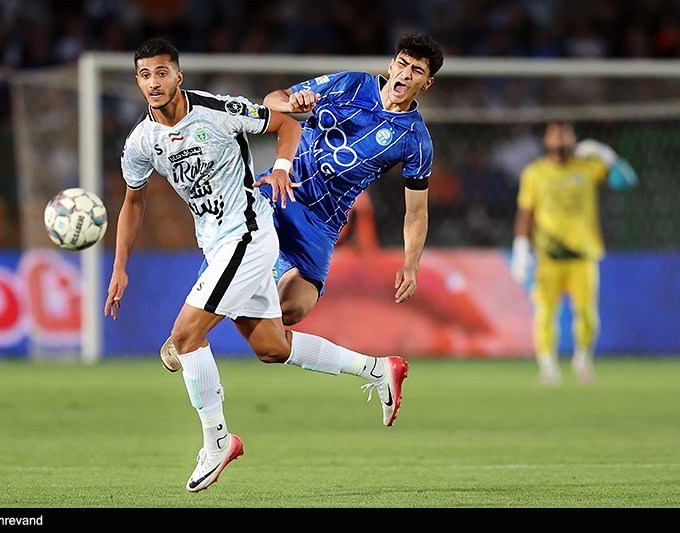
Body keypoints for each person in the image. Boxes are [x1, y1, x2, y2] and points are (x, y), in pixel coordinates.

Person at [105, 38, 410, 493]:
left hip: (247, 235)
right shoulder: (141, 142)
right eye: (145, 74)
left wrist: (283, 166)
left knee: (185, 337)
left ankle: (218, 441)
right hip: (215, 244)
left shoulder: (216, 110)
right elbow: (133, 203)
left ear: (178, 75)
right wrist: (119, 266)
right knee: (272, 347)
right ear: (137, 81)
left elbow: (285, 120)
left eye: (162, 72)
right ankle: (378, 369)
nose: (154, 82)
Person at [160, 32, 443, 372]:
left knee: (291, 309)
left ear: (426, 83)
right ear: (391, 65)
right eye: (402, 64)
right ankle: (190, 329)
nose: (405, 74)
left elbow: (416, 212)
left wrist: (410, 263)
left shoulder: (415, 140)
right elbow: (272, 100)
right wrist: (293, 104)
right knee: (241, 253)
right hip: (281, 190)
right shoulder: (352, 84)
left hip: (323, 223)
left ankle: (200, 317)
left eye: (416, 71)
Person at [510, 121, 639, 386]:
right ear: (545, 140)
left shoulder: (588, 167)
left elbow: (627, 181)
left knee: (587, 313)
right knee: (545, 313)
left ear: (573, 139)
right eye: (554, 134)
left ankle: (582, 360)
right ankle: (548, 367)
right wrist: (521, 248)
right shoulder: (535, 173)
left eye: (564, 134)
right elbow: (526, 212)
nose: (559, 140)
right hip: (548, 256)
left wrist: (606, 153)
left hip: (583, 255)